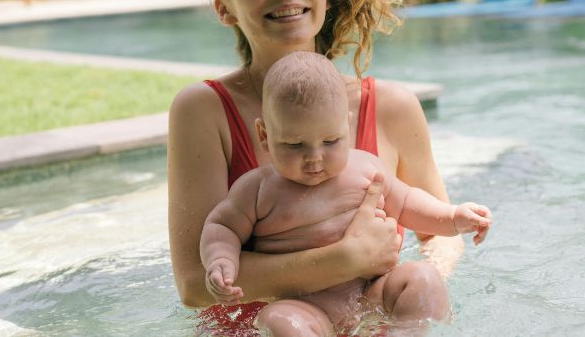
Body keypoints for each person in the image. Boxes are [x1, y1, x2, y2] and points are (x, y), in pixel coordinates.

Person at [167, 0, 465, 332]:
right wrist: (341, 261)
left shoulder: (393, 107)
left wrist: (409, 299)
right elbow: (195, 285)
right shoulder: (204, 110)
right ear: (224, 8)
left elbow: (440, 235)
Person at [199, 51, 492, 335]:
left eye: (330, 141)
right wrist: (221, 261)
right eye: (294, 145)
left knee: (423, 278)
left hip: (372, 292)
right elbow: (221, 225)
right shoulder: (256, 189)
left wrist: (452, 216)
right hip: (306, 305)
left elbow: (407, 202)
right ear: (264, 135)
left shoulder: (365, 168)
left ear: (345, 126)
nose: (314, 157)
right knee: (278, 319)